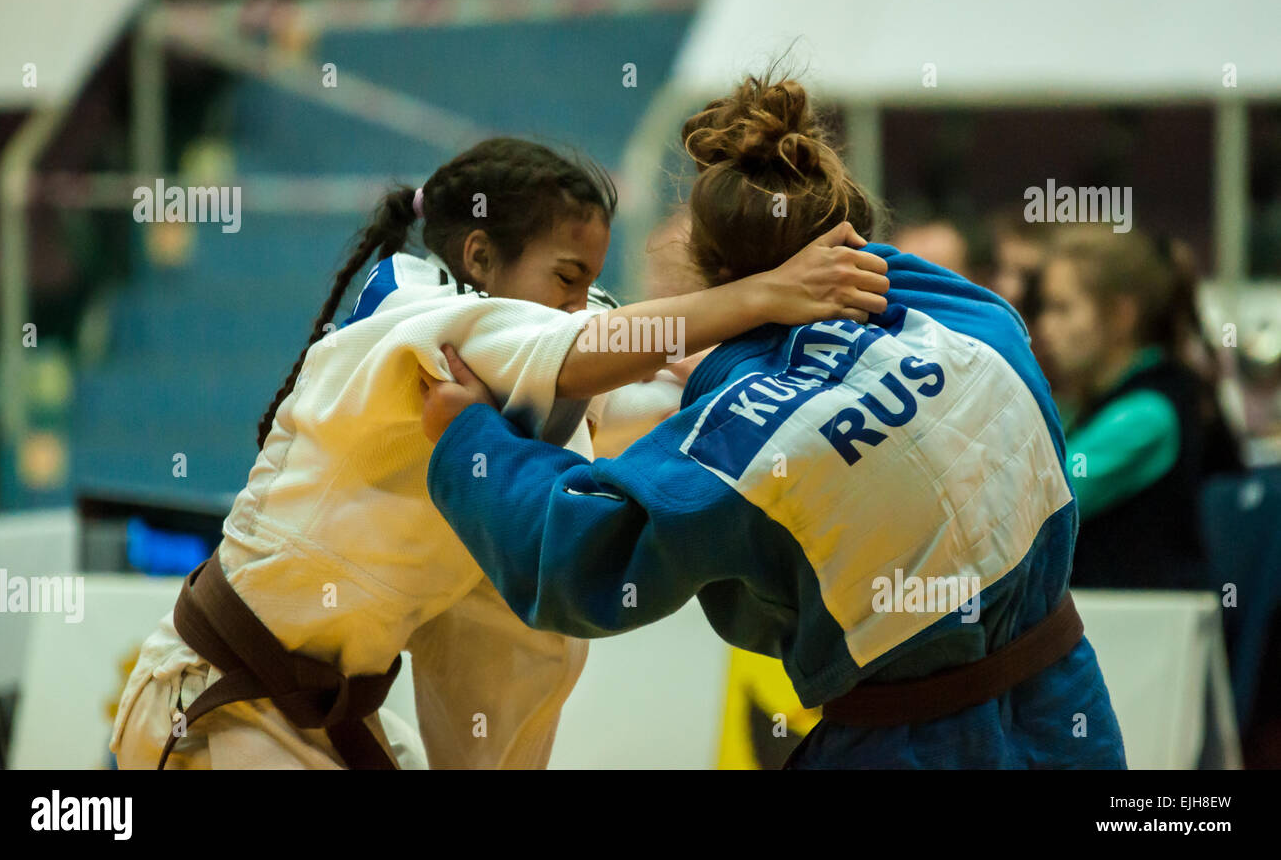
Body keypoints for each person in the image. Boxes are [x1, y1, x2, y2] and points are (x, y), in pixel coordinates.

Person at [110, 136, 890, 770]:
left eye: (590, 282)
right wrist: (767, 293)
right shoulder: (413, 317)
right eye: (567, 277)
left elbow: (631, 381)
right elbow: (584, 346)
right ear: (479, 256)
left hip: (326, 717)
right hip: (216, 704)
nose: (583, 301)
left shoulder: (537, 357)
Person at [420, 74, 1127, 769]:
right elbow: (875, 297)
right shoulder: (980, 321)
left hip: (904, 744)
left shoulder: (738, 444)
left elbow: (572, 554)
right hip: (1069, 713)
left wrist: (470, 434)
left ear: (709, 270)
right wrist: (725, 354)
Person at [1037, 229, 1236, 589]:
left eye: (1062, 309)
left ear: (1121, 316)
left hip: (1149, 630)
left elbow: (1039, 504)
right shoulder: (1082, 403)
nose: (1046, 327)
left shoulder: (1149, 413)